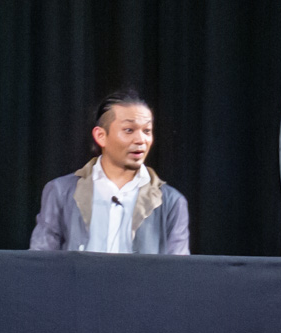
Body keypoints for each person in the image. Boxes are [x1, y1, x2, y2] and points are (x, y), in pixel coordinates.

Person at [30, 90, 189, 254]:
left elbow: (180, 271)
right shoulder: (61, 192)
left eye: (147, 131)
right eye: (129, 130)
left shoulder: (171, 202)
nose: (141, 140)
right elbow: (40, 262)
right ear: (100, 136)